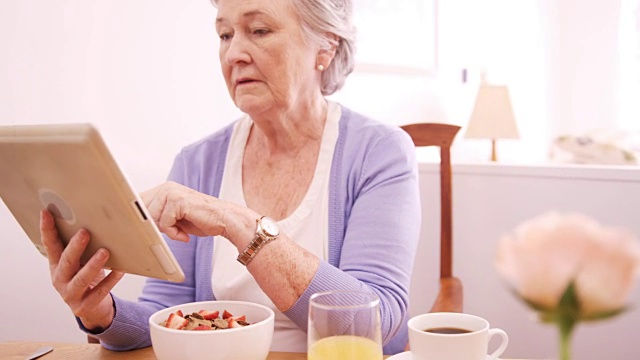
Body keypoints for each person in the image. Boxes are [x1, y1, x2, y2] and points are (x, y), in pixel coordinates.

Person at [39, 0, 420, 355]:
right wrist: (101, 312)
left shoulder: (380, 152)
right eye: (225, 35)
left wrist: (239, 223)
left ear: (325, 47)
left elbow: (374, 320)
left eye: (259, 31)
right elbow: (164, 316)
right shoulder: (197, 162)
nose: (234, 54)